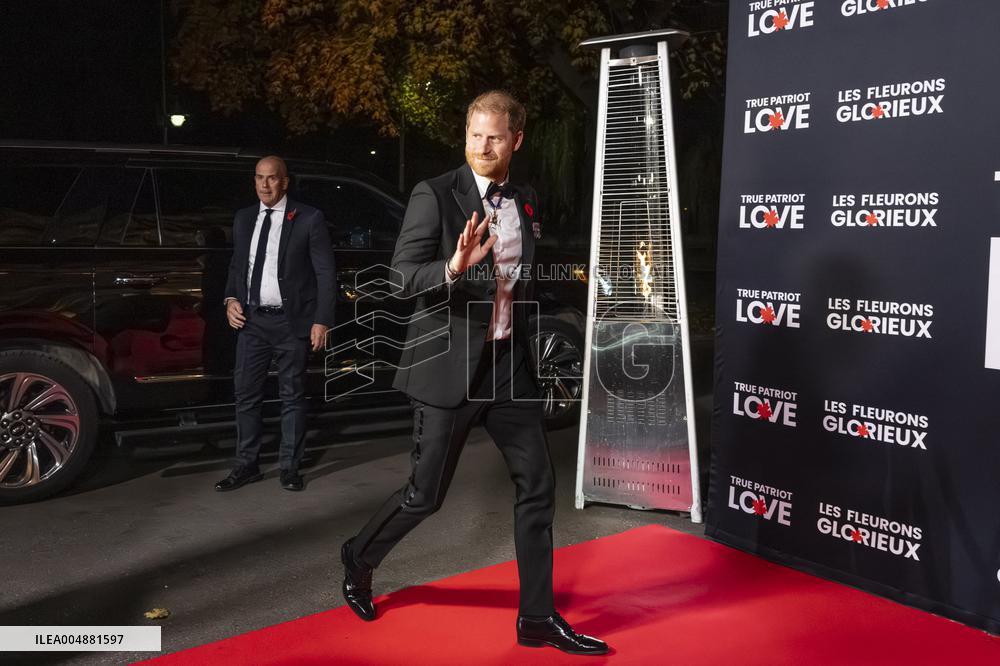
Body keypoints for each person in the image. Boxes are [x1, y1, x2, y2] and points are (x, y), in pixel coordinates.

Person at [340, 91, 608, 656]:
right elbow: (399, 280)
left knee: (538, 487)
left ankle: (536, 618)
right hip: (447, 366)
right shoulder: (434, 195)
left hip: (510, 365)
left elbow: (524, 278)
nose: (483, 148)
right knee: (424, 495)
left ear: (517, 139)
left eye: (494, 137)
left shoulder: (527, 199)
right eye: (474, 136)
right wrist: (452, 268)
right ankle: (359, 556)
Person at [215, 156, 335, 493]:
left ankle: (289, 468)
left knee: (292, 397)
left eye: (272, 179)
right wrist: (230, 299)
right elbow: (238, 267)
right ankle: (246, 466)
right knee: (246, 396)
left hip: (291, 322)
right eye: (259, 178)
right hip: (252, 321)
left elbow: (326, 273)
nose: (265, 185)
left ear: (285, 182)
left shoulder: (309, 218)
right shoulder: (243, 218)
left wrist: (321, 320)